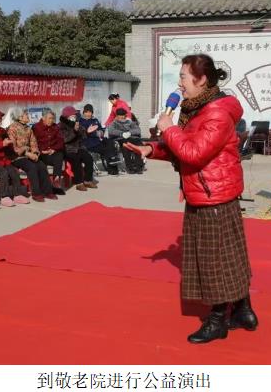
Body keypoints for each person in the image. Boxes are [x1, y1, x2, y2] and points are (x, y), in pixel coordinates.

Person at [125, 54, 257, 344]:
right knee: (229, 255)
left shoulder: (216, 113)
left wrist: (169, 127)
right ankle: (244, 311)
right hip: (208, 191)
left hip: (213, 195)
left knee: (212, 260)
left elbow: (194, 153)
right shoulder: (197, 109)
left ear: (202, 80)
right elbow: (184, 146)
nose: (180, 83)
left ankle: (217, 320)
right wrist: (152, 149)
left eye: (184, 76)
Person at [0, 108, 31, 207]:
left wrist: (11, 145)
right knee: (3, 173)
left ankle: (17, 195)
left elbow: (7, 145)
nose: (1, 120)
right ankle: (4, 196)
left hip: (4, 159)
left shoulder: (2, 130)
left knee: (14, 171)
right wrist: (2, 144)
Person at [8, 107, 57, 202]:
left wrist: (35, 153)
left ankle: (47, 191)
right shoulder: (12, 128)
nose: (28, 116)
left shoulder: (28, 128)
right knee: (32, 167)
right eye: (26, 115)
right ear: (20, 117)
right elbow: (13, 148)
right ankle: (36, 193)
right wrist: (27, 153)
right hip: (17, 157)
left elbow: (33, 142)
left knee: (41, 165)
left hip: (28, 155)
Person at [59, 106, 97, 191]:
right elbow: (64, 139)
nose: (74, 117)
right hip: (68, 149)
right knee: (76, 160)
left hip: (78, 148)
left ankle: (87, 180)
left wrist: (87, 131)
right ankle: (79, 183)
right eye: (72, 116)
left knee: (89, 158)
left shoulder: (77, 124)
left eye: (75, 116)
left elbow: (83, 136)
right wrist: (74, 131)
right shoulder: (61, 126)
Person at [32, 109, 66, 194]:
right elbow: (33, 142)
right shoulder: (36, 127)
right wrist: (41, 151)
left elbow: (61, 141)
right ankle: (45, 186)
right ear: (43, 118)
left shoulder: (55, 127)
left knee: (59, 155)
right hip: (41, 153)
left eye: (52, 118)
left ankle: (56, 181)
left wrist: (53, 149)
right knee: (40, 163)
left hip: (52, 152)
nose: (51, 120)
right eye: (49, 118)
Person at [78, 104, 119, 175]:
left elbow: (100, 129)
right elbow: (81, 133)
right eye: (86, 112)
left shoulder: (95, 120)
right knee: (107, 150)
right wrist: (91, 132)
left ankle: (113, 160)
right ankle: (112, 167)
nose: (88, 114)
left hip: (99, 140)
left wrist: (101, 132)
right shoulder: (80, 121)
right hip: (89, 142)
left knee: (110, 143)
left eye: (90, 112)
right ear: (83, 112)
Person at [108, 108, 145, 174]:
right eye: (120, 115)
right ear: (117, 116)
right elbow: (111, 131)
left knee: (138, 145)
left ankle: (139, 166)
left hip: (131, 138)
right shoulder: (114, 123)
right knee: (126, 147)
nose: (122, 117)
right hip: (121, 139)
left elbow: (138, 130)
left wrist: (130, 133)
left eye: (123, 115)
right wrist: (121, 133)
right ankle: (130, 167)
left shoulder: (130, 122)